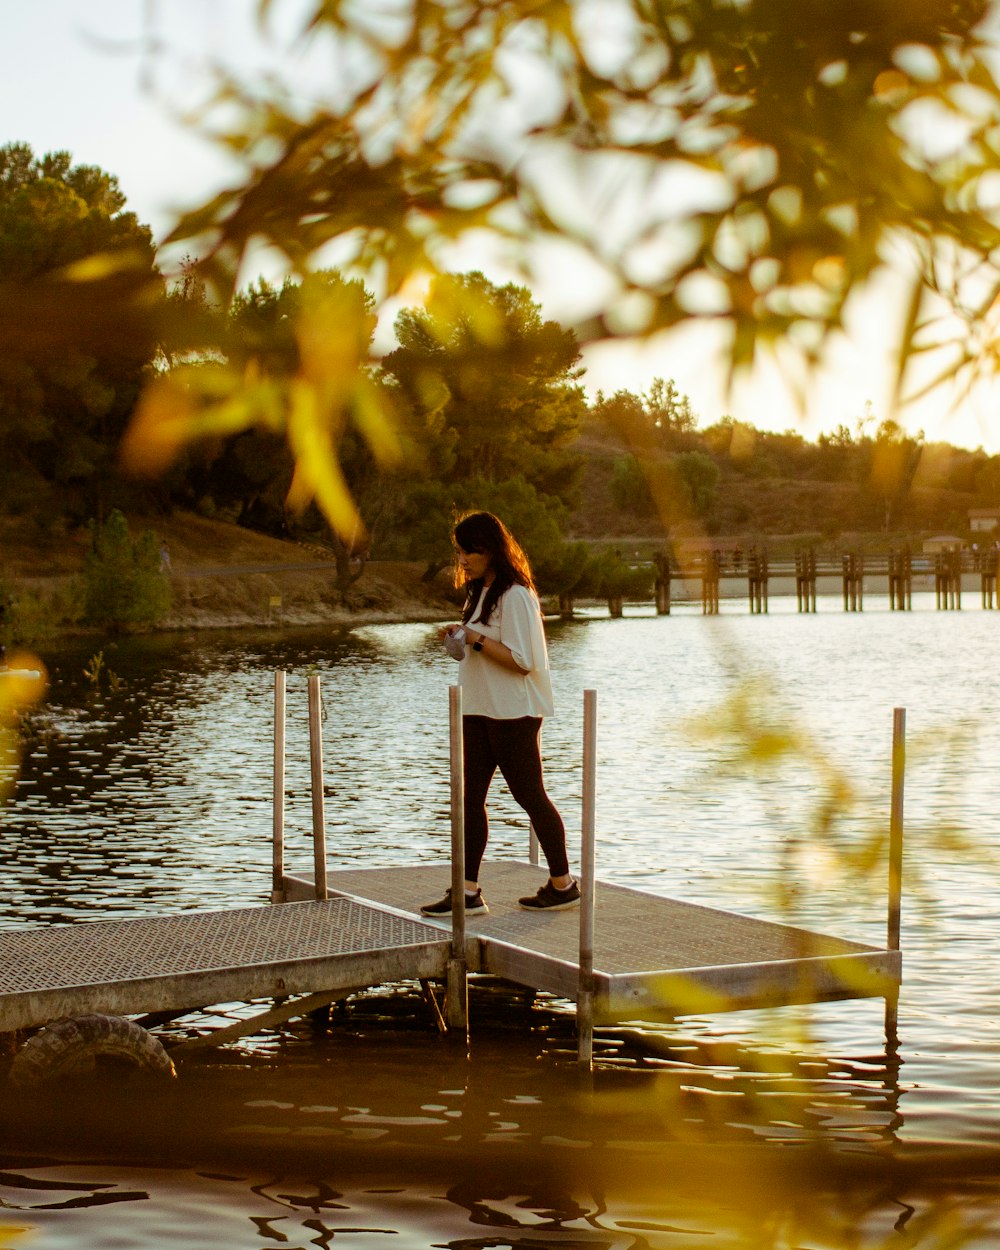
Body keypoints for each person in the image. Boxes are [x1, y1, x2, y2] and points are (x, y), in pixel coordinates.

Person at [421, 511, 579, 917]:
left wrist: (474, 638)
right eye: (458, 552)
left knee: (529, 796)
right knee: (469, 800)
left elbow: (524, 661)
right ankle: (468, 891)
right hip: (477, 708)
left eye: (469, 551)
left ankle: (563, 884)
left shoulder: (516, 595)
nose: (462, 559)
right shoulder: (479, 592)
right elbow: (479, 648)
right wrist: (459, 640)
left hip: (513, 713)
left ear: (491, 549)